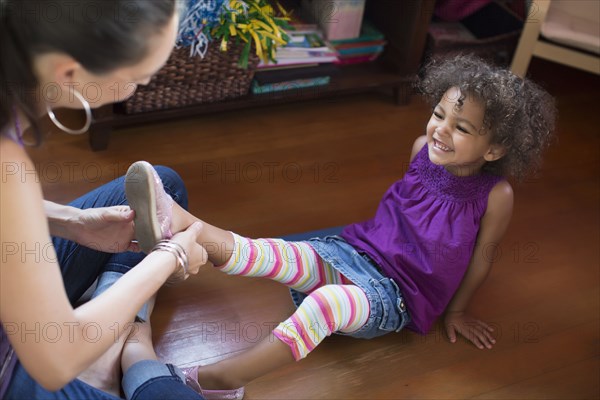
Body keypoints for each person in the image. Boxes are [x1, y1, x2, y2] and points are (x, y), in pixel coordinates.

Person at [124, 54, 557, 399]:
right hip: (354, 252)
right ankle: (180, 224)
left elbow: (482, 258)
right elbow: (402, 216)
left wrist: (457, 310)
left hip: (396, 297)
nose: (441, 130)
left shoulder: (495, 196)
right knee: (280, 252)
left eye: (461, 128)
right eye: (439, 113)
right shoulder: (422, 148)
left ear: (496, 148)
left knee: (326, 304)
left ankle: (221, 379)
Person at [0, 1, 209, 399]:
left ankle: (107, 332)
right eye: (139, 76)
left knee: (162, 185)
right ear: (70, 73)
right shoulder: (7, 168)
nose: (143, 85)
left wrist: (71, 222)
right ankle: (120, 351)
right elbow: (56, 359)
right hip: (24, 364)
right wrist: (171, 258)